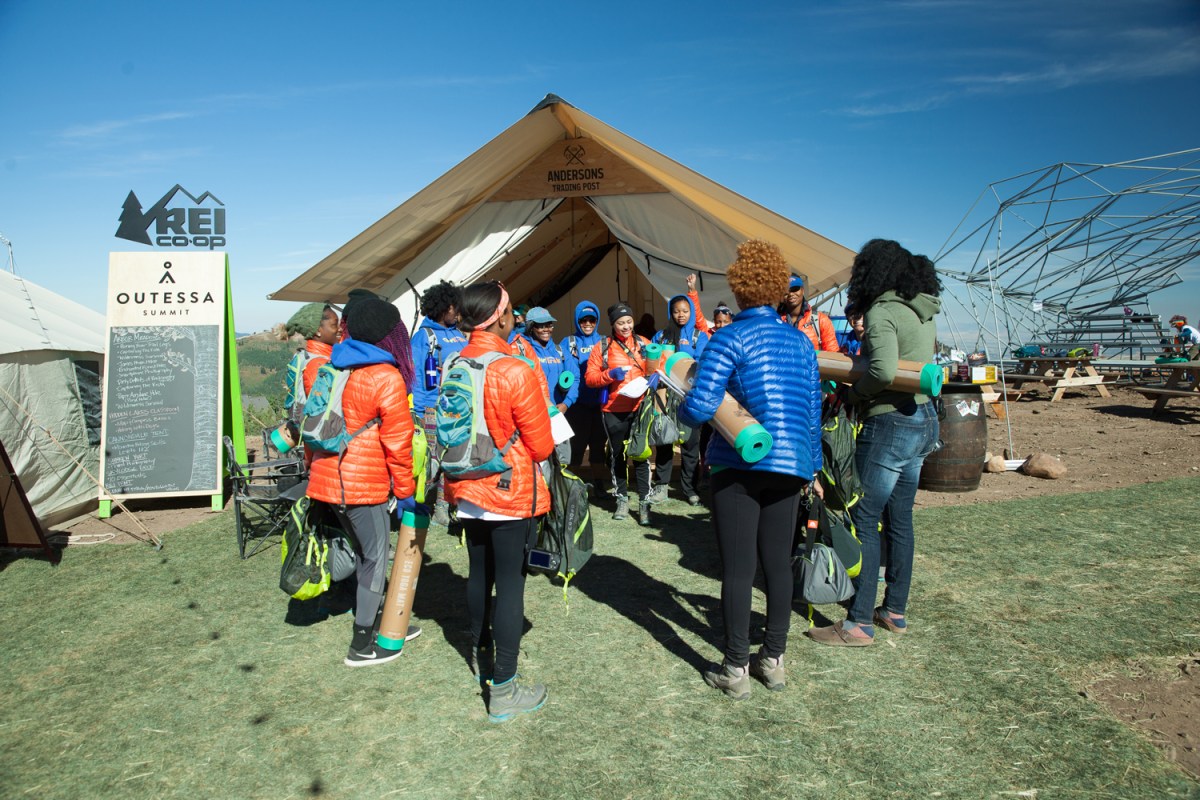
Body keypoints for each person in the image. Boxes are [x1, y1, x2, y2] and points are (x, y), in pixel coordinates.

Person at [677, 239, 823, 699]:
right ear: (780, 289)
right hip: (792, 465)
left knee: (739, 569)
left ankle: (736, 668)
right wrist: (811, 467)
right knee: (777, 564)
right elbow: (813, 411)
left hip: (738, 464)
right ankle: (774, 660)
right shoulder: (801, 341)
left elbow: (700, 407)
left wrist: (679, 397)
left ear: (738, 291)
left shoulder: (728, 337)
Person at [808, 239, 941, 647]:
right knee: (900, 520)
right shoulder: (923, 310)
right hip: (924, 418)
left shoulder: (882, 311)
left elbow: (882, 371)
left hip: (890, 424)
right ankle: (894, 611)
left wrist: (853, 394)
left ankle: (858, 623)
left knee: (865, 517)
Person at [444, 281, 554, 722]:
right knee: (510, 585)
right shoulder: (515, 369)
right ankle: (504, 689)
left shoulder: (455, 361)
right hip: (508, 492)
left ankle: (479, 655)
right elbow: (542, 446)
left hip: (467, 488)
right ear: (501, 317)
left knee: (478, 574)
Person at [304, 297, 418, 667]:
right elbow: (398, 444)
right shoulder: (385, 376)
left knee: (362, 552)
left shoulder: (331, 367)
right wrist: (405, 492)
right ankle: (362, 643)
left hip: (328, 480)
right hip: (362, 484)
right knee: (374, 558)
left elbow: (312, 427)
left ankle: (388, 621)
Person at [585, 302, 654, 525]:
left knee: (641, 454)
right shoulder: (602, 347)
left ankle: (644, 503)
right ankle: (622, 499)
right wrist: (609, 375)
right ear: (613, 324)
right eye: (620, 323)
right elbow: (590, 378)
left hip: (640, 407)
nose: (625, 326)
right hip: (613, 409)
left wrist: (654, 377)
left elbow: (658, 366)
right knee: (617, 456)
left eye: (628, 322)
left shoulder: (644, 343)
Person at [410, 281, 468, 526]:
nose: (456, 312)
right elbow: (414, 376)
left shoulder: (458, 333)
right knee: (432, 460)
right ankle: (423, 506)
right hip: (431, 407)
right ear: (441, 307)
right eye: (453, 307)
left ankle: (444, 506)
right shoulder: (423, 337)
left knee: (453, 454)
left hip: (457, 406)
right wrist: (419, 411)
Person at [649, 289, 709, 506]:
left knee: (690, 445)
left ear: (690, 312)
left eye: (685, 311)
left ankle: (689, 489)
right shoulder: (661, 336)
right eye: (676, 311)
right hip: (665, 395)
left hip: (688, 397)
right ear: (670, 313)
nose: (680, 315)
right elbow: (652, 365)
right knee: (664, 442)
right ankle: (661, 487)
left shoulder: (698, 337)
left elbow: (702, 364)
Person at [512, 307, 579, 460]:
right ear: (531, 327)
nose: (546, 329)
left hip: (557, 413)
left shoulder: (559, 351)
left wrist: (566, 403)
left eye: (549, 325)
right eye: (540, 325)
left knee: (562, 460)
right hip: (532, 415)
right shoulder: (523, 350)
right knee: (539, 460)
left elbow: (575, 377)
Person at [561, 301, 606, 484]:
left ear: (597, 321)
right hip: (577, 405)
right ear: (577, 321)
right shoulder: (568, 342)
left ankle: (600, 486)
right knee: (576, 447)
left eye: (592, 320)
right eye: (583, 320)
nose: (587, 324)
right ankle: (572, 487)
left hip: (600, 404)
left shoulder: (604, 341)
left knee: (598, 447)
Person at [779, 274, 839, 352]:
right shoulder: (775, 320)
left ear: (803, 290)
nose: (791, 294)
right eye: (786, 291)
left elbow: (832, 354)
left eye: (795, 289)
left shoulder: (821, 320)